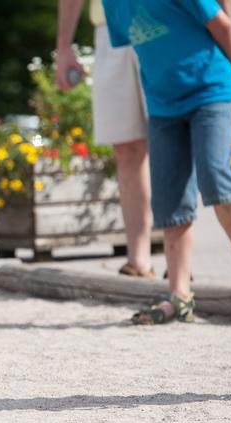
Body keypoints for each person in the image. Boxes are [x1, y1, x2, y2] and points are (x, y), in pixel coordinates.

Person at [102, 0, 231, 323]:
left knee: (214, 176)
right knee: (170, 196)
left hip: (210, 88)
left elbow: (223, 25)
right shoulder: (111, 4)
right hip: (162, 104)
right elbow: (144, 45)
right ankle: (180, 295)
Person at [56, 0, 155, 278]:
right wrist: (64, 48)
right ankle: (139, 258)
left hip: (166, 18)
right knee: (125, 146)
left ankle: (181, 260)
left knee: (172, 136)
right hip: (110, 26)